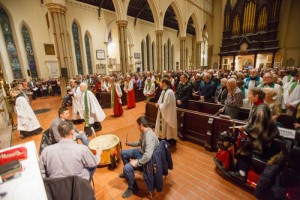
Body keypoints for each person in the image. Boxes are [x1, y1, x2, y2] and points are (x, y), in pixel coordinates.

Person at [232, 88, 279, 181]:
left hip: (264, 138)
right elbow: (253, 122)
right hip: (262, 133)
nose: (248, 96)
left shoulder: (261, 109)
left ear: (256, 96)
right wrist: (246, 126)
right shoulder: (258, 104)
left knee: (242, 149)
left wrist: (244, 128)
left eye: (250, 94)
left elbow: (258, 129)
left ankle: (242, 173)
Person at [119, 116, 159, 198]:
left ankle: (133, 187)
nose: (137, 127)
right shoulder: (143, 132)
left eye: (137, 125)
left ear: (141, 125)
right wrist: (130, 143)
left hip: (146, 158)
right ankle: (128, 174)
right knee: (123, 153)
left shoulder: (149, 137)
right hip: (141, 152)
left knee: (127, 168)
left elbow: (147, 156)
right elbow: (140, 142)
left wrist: (137, 163)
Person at [155, 78, 178, 143]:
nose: (160, 84)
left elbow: (166, 104)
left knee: (167, 126)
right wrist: (158, 103)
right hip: (163, 111)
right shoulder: (164, 91)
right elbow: (160, 100)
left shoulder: (169, 92)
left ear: (164, 83)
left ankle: (169, 138)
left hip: (168, 112)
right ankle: (162, 136)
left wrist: (159, 105)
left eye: (161, 82)